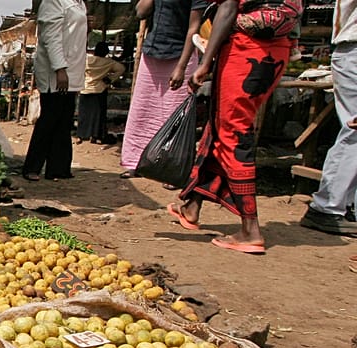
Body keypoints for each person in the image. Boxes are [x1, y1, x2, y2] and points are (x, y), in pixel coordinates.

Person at [168, 0, 299, 253]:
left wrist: (205, 63)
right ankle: (192, 206)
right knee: (221, 127)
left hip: (246, 51)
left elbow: (227, 8)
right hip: (277, 51)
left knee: (233, 134)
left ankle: (250, 229)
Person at [120, 0, 206, 179]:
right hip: (152, 52)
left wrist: (181, 67)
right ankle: (136, 162)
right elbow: (141, 12)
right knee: (142, 111)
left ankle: (172, 168)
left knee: (176, 114)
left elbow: (193, 29)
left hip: (180, 55)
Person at [299, 0, 357, 237]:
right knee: (354, 131)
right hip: (353, 48)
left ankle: (344, 206)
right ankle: (327, 206)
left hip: (351, 51)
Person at [22, 0, 88, 182]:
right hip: (56, 72)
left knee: (64, 120)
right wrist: (60, 69)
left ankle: (58, 168)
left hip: (72, 69)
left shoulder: (79, 3)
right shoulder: (54, 1)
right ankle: (32, 167)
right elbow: (51, 37)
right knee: (50, 119)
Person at [77, 42, 125, 144]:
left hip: (85, 89)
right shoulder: (108, 62)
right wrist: (109, 79)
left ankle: (80, 135)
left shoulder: (87, 60)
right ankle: (96, 136)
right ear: (106, 52)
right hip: (100, 89)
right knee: (98, 115)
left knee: (83, 115)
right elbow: (121, 68)